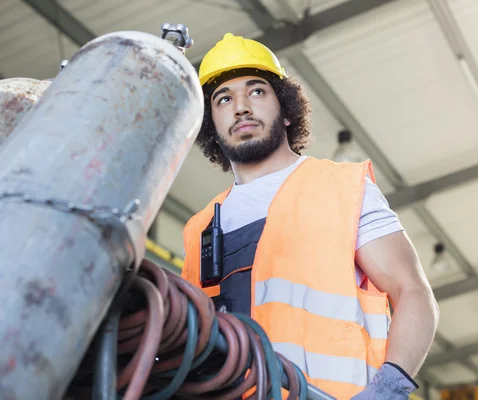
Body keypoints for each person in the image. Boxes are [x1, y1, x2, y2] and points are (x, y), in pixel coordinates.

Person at [181, 32, 439, 400]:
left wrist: (389, 388)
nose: (240, 107)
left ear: (286, 111)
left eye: (256, 91)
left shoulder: (343, 188)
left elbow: (412, 291)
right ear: (212, 124)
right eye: (224, 99)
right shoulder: (199, 230)